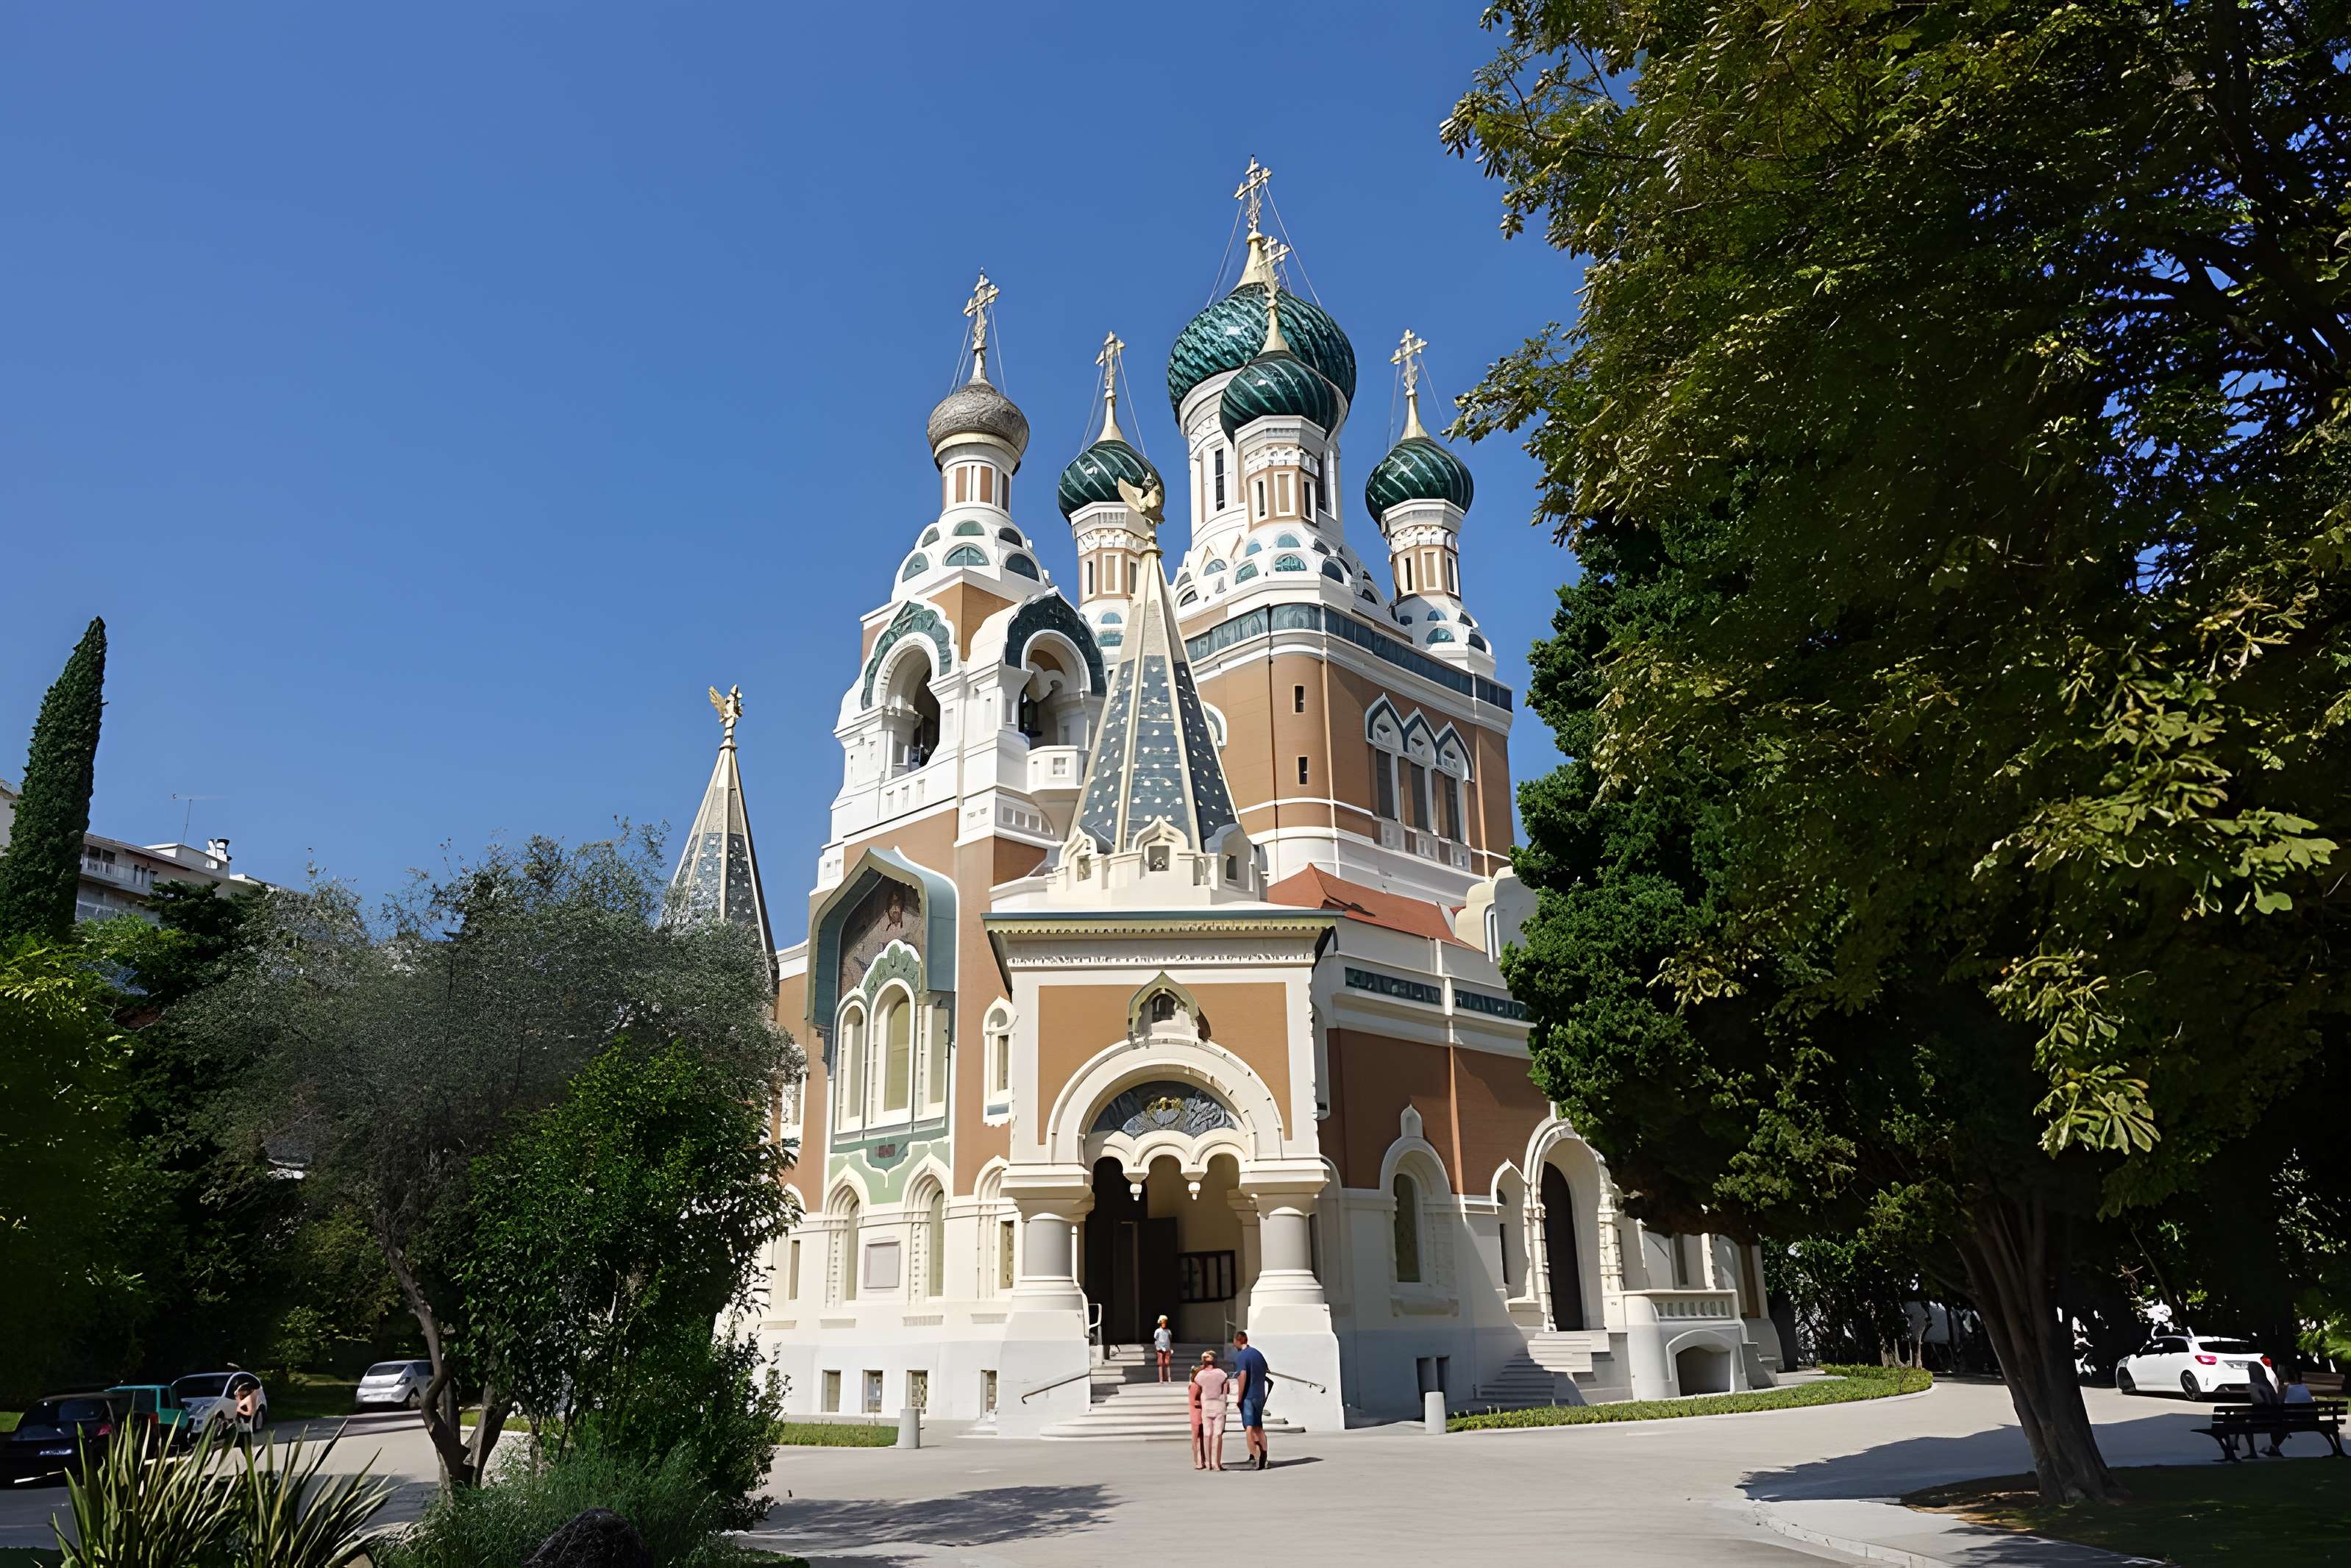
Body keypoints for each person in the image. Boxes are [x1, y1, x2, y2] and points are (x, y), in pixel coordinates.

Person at [1230, 1329, 1272, 1471]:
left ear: (1238, 1341)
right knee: (1258, 1426)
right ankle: (1264, 1454)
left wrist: (1239, 1398)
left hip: (1248, 1395)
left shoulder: (1242, 1356)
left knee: (1249, 1427)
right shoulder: (1257, 1354)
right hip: (1260, 1394)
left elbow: (1243, 1375)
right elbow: (1267, 1370)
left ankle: (1255, 1456)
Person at [1192, 1352, 1229, 1471]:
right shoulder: (1221, 1373)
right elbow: (1226, 1389)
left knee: (1207, 1434)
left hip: (1206, 1405)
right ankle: (1216, 1463)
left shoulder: (1200, 1375)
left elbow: (1197, 1390)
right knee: (1218, 1434)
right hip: (1219, 1405)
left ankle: (1208, 1463)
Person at [1153, 1316, 1174, 1383]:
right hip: (1160, 1349)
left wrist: (1170, 1348)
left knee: (1167, 1363)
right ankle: (1161, 1378)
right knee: (1160, 1363)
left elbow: (1170, 1339)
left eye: (1165, 1323)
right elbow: (1155, 1340)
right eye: (1163, 1323)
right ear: (1160, 1323)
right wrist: (1157, 1347)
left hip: (1167, 1348)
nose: (1164, 1324)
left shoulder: (1168, 1331)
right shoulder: (1158, 1331)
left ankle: (1168, 1378)